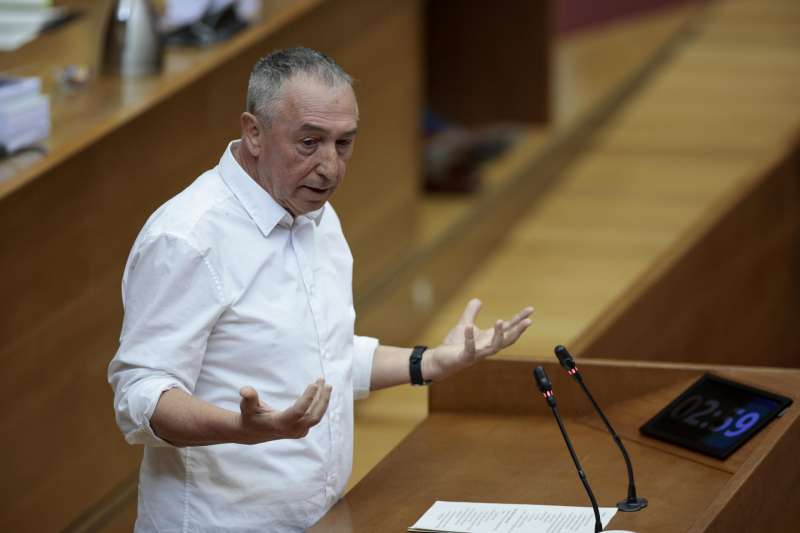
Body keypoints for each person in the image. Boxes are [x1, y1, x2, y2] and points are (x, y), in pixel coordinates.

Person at [108, 47, 533, 532]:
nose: (330, 167)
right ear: (253, 132)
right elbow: (139, 395)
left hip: (322, 518)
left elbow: (318, 355)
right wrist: (241, 429)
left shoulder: (316, 215)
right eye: (309, 143)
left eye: (344, 143)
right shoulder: (187, 238)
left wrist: (427, 362)